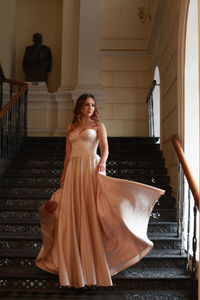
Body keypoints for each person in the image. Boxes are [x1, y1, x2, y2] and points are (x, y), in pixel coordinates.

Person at [36, 93, 165, 288]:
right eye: (87, 104)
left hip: (91, 169)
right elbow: (67, 155)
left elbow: (105, 148)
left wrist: (103, 162)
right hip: (73, 172)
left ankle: (93, 267)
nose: (90, 108)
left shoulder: (99, 127)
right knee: (73, 215)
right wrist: (63, 174)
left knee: (91, 213)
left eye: (93, 105)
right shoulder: (71, 128)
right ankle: (73, 268)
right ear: (80, 107)